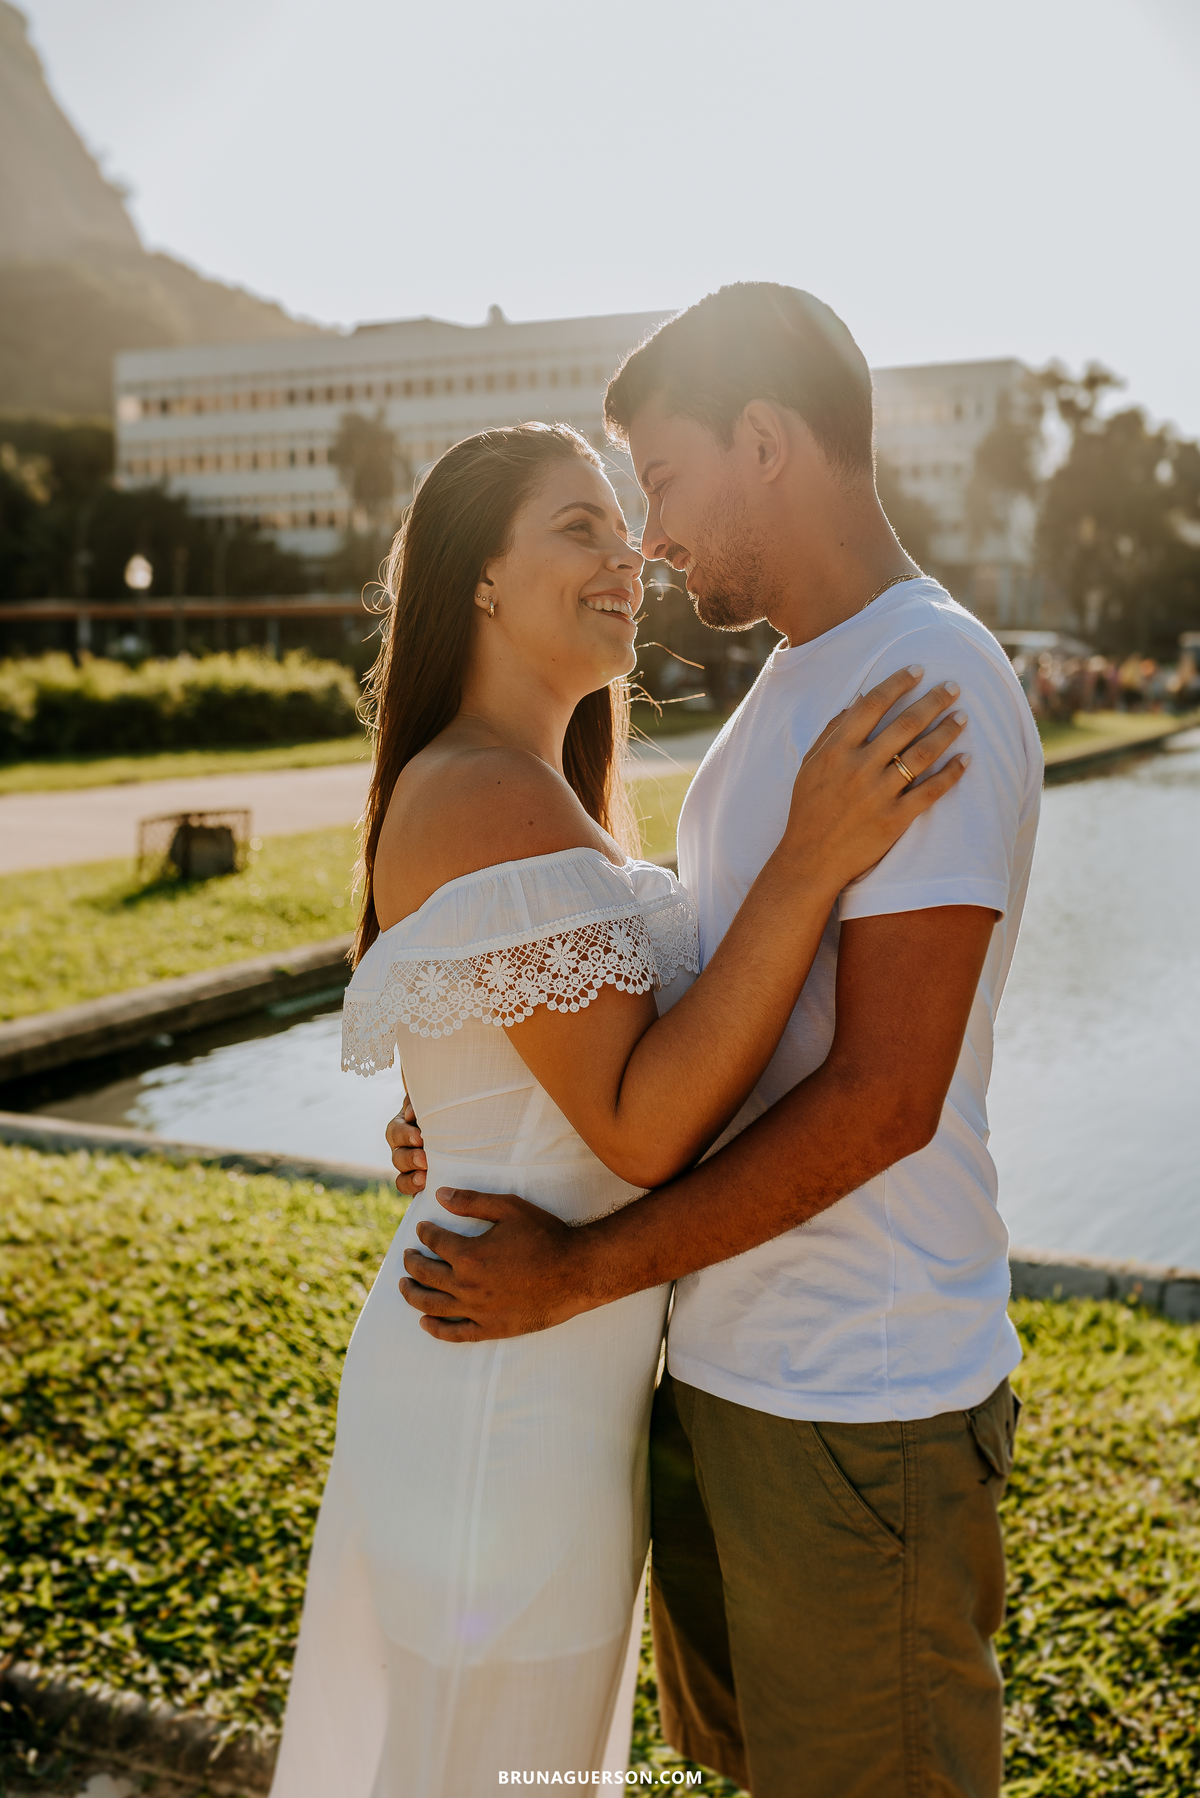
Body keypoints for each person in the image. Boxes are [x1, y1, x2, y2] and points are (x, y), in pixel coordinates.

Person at [390, 285, 1043, 1798]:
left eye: (665, 482)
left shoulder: (922, 679)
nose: (653, 538)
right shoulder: (779, 710)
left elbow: (884, 1098)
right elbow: (696, 1032)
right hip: (728, 1385)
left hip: (859, 1400)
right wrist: (494, 1119)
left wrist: (575, 1272)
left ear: (766, 438)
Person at [270, 417, 967, 1797]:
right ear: (479, 577)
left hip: (557, 1394)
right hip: (500, 1404)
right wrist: (813, 858)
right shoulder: (479, 792)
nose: (629, 554)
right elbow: (644, 1127)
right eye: (579, 526)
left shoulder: (544, 797)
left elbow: (539, 1084)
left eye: (625, 524)